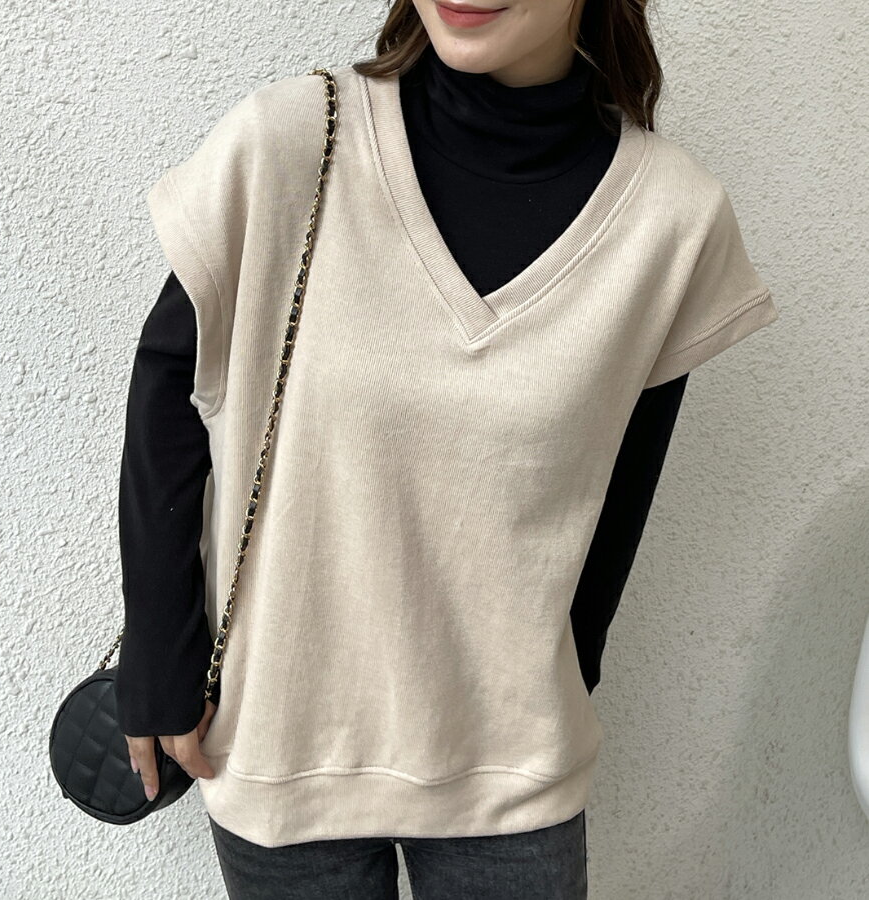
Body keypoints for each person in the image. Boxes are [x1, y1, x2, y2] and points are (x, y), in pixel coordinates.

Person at [115, 0, 778, 897]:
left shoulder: (672, 221)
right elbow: (169, 389)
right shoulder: (293, 143)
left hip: (512, 776)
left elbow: (621, 495)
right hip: (280, 747)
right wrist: (159, 654)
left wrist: (559, 680)